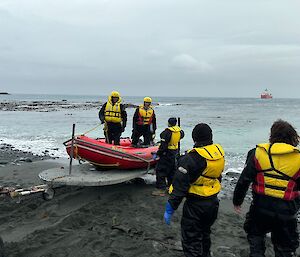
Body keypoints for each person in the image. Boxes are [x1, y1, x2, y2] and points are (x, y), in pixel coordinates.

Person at [233, 119, 300, 257]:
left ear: (272, 135)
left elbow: (244, 181)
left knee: (256, 241)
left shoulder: (258, 153)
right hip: (286, 212)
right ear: (293, 137)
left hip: (260, 209)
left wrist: (237, 201)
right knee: (284, 249)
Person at [163, 123, 225, 257]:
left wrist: (170, 208)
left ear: (194, 138)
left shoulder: (191, 158)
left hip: (195, 205)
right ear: (210, 137)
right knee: (205, 234)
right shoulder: (218, 155)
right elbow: (218, 176)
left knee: (191, 240)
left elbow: (180, 187)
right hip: (213, 202)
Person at [152, 117, 184, 196]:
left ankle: (161, 189)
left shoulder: (166, 132)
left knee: (160, 170)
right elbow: (181, 137)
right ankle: (171, 187)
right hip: (175, 152)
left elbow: (163, 146)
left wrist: (158, 153)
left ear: (168, 123)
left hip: (167, 153)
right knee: (172, 171)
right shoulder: (180, 131)